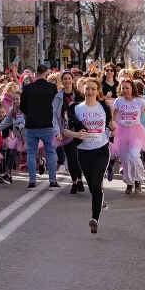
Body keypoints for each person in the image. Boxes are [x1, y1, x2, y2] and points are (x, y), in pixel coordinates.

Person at [62, 78, 112, 234]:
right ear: (83, 90)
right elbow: (65, 131)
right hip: (83, 151)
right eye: (87, 88)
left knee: (97, 185)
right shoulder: (75, 108)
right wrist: (77, 134)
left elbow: (110, 124)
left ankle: (94, 219)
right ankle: (101, 201)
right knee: (92, 186)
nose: (90, 91)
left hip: (101, 150)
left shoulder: (104, 106)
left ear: (98, 91)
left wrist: (114, 126)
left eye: (93, 89)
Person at [112, 79, 145, 194]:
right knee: (125, 159)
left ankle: (138, 180)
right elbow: (114, 114)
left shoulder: (139, 101)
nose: (125, 90)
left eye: (127, 88)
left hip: (136, 131)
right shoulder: (119, 101)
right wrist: (113, 124)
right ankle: (129, 183)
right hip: (122, 132)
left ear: (132, 88)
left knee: (134, 156)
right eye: (123, 88)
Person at [19, 64, 60, 189]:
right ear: (46, 73)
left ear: (35, 74)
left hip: (32, 124)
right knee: (50, 152)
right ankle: (52, 180)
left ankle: (32, 180)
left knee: (31, 153)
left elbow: (22, 106)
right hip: (47, 123)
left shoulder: (28, 88)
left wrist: (30, 114)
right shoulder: (52, 88)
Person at [52, 71, 85, 194]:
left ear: (72, 80)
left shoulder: (79, 95)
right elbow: (54, 116)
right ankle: (75, 181)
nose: (67, 81)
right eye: (64, 79)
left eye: (69, 78)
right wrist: (57, 132)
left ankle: (80, 180)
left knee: (76, 157)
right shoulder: (58, 97)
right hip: (65, 130)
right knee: (71, 158)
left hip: (78, 129)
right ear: (62, 81)